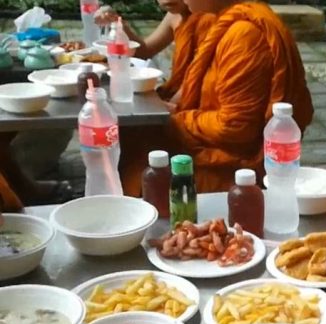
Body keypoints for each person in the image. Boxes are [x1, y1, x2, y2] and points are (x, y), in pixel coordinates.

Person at [119, 0, 313, 195]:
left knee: (137, 169)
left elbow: (236, 127)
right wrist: (171, 109)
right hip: (210, 145)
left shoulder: (245, 36)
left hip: (234, 168)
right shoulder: (217, 22)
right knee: (128, 140)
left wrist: (175, 118)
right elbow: (193, 88)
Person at [94, 0, 216, 99]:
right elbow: (144, 52)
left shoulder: (211, 18)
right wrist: (119, 25)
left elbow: (200, 76)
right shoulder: (174, 15)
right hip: (174, 94)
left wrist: (171, 107)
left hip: (199, 101)